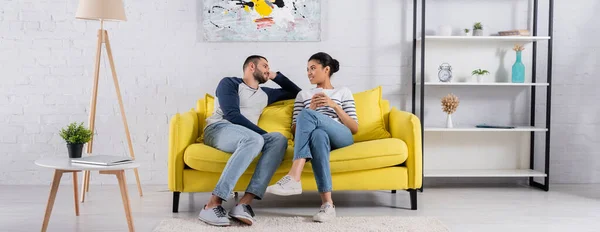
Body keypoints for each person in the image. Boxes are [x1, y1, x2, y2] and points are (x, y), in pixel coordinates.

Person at [198, 55, 301, 226]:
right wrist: (261, 135)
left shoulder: (266, 94)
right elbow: (232, 114)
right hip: (219, 129)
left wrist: (275, 75)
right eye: (265, 65)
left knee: (278, 139)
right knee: (255, 140)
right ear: (252, 67)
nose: (268, 69)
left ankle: (244, 204)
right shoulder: (229, 83)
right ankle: (212, 205)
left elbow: (298, 93)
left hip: (249, 137)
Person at [266, 52, 359, 222]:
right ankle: (328, 205)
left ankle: (294, 176)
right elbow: (296, 131)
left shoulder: (343, 91)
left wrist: (334, 106)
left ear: (327, 69)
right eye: (307, 69)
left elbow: (354, 128)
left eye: (313, 68)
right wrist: (311, 108)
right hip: (320, 137)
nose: (309, 72)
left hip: (341, 135)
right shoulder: (303, 95)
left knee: (308, 116)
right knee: (317, 134)